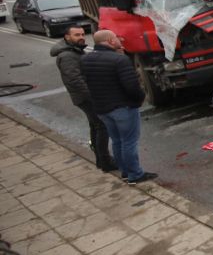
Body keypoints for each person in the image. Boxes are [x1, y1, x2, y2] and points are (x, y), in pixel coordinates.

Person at [81, 30, 155, 185]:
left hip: (102, 108)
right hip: (123, 107)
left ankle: (125, 172)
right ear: (110, 41)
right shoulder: (119, 60)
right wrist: (139, 99)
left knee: (117, 141)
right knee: (129, 141)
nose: (119, 39)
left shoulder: (85, 60)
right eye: (116, 37)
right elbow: (132, 86)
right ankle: (135, 174)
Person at [50, 26, 116, 172]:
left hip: (85, 96)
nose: (81, 37)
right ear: (67, 37)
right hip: (86, 97)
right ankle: (105, 161)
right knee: (102, 126)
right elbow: (75, 80)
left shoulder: (74, 51)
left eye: (82, 34)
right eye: (76, 35)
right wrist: (94, 96)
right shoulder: (67, 56)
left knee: (95, 125)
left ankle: (101, 159)